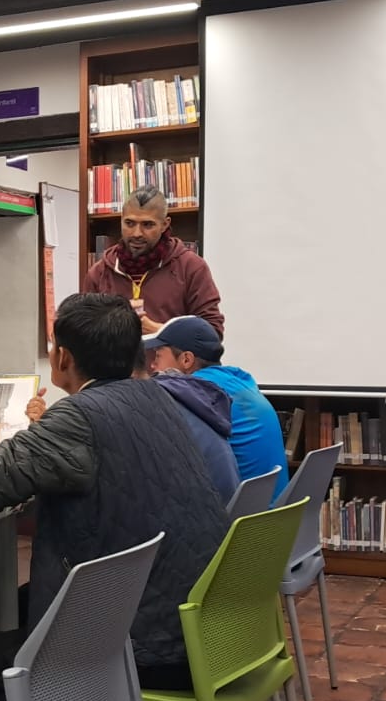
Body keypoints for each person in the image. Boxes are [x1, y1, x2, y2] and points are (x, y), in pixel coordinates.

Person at [0, 293, 230, 701]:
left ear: (62, 356)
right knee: (11, 623)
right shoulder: (157, 398)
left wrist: (26, 437)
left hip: (144, 641)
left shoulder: (79, 416)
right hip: (199, 624)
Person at [27, 348, 241, 505]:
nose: (154, 365)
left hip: (183, 544)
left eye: (158, 355)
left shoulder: (136, 410)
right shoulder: (181, 396)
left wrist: (48, 429)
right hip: (216, 531)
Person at [144, 315, 290, 503]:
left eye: (158, 356)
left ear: (186, 359)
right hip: (269, 518)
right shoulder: (238, 382)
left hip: (239, 520)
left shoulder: (198, 393)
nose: (152, 365)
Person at [81, 185, 223, 336]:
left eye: (147, 225)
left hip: (170, 359)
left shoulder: (191, 268)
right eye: (129, 223)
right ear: (121, 220)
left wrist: (162, 332)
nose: (137, 233)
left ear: (165, 224)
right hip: (115, 360)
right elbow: (83, 332)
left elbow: (212, 334)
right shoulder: (99, 273)